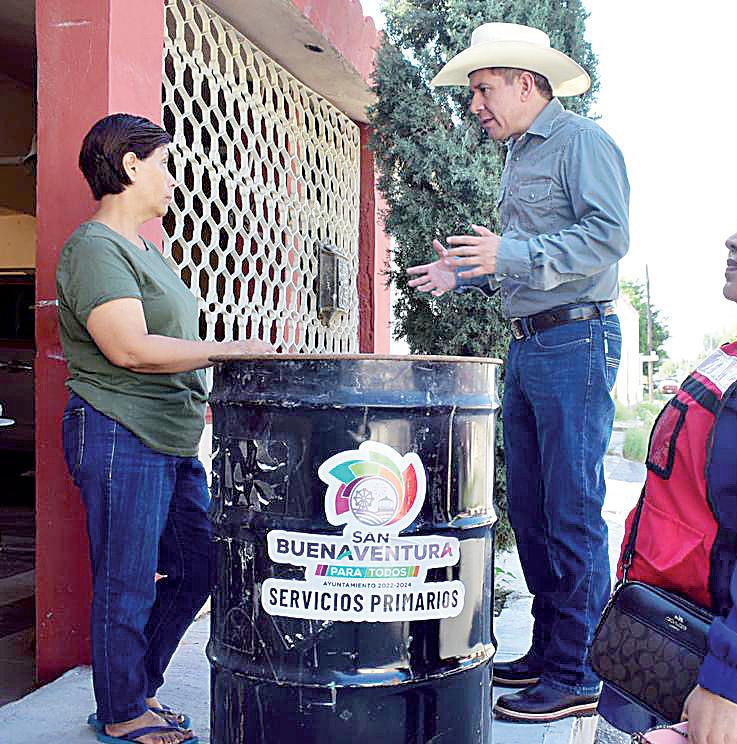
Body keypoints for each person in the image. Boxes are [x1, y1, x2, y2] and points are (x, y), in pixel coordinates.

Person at [407, 22, 629, 721]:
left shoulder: (581, 141)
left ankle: (578, 673)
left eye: (483, 89)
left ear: (526, 84)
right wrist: (465, 273)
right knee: (531, 511)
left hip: (575, 342)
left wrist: (506, 254)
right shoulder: (519, 153)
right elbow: (523, 255)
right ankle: (548, 651)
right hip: (531, 345)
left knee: (570, 510)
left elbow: (608, 237)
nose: (474, 104)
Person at [56, 114, 272, 744]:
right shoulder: (96, 248)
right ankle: (123, 710)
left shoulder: (148, 250)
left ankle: (135, 688)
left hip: (168, 436)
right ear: (130, 166)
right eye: (164, 164)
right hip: (119, 429)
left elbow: (165, 344)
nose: (173, 179)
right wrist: (227, 350)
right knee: (126, 579)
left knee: (198, 566)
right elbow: (127, 348)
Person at [598, 234, 737, 744]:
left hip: (705, 682)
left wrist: (727, 681)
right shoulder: (726, 358)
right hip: (653, 640)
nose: (731, 240)